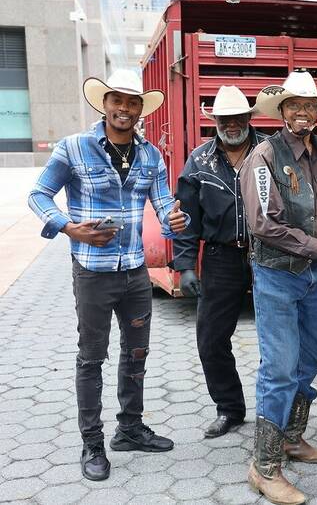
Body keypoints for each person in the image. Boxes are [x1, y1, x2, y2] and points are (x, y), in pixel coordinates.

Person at [28, 70, 189, 482]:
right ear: (105, 103)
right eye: (117, 100)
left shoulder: (151, 155)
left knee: (137, 353)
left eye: (133, 102)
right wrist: (66, 226)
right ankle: (92, 443)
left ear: (140, 110)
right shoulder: (74, 148)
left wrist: (177, 220)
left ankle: (130, 429)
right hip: (92, 272)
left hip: (135, 273)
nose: (124, 108)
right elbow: (38, 194)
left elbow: (166, 207)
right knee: (91, 357)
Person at [239, 71, 317, 505]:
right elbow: (263, 224)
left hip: (314, 275)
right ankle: (264, 466)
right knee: (279, 367)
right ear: (282, 111)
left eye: (310, 106)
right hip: (277, 274)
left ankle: (292, 438)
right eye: (294, 106)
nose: (302, 113)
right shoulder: (263, 156)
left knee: (310, 359)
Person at [172, 85, 259, 438]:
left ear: (250, 119)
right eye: (226, 119)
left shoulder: (270, 150)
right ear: (216, 121)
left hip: (269, 255)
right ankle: (230, 409)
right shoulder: (199, 160)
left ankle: (279, 413)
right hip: (222, 257)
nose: (233, 124)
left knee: (279, 337)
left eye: (239, 117)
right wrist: (186, 265)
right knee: (210, 339)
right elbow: (186, 215)